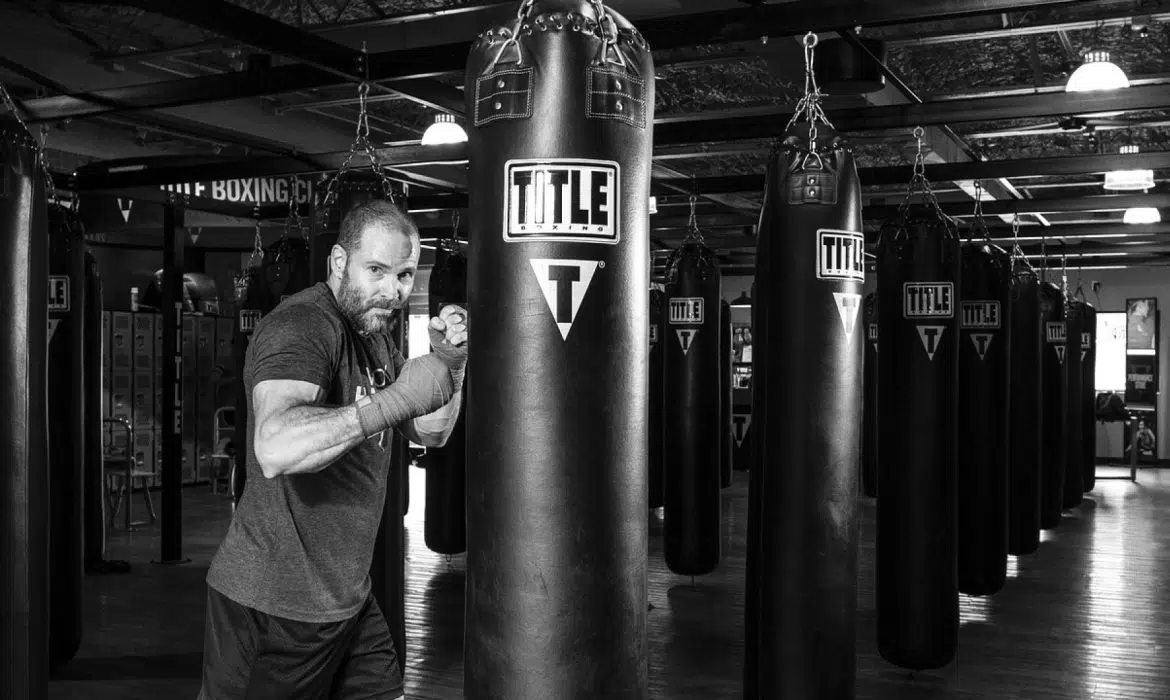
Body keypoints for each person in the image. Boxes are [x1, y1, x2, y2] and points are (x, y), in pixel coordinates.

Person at [199, 199, 467, 700]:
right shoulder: (302, 326)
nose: (392, 291)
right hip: (271, 607)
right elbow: (275, 447)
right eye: (377, 271)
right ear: (340, 262)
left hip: (347, 602)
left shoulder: (375, 335)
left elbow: (430, 433)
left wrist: (450, 364)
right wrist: (396, 399)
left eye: (405, 276)